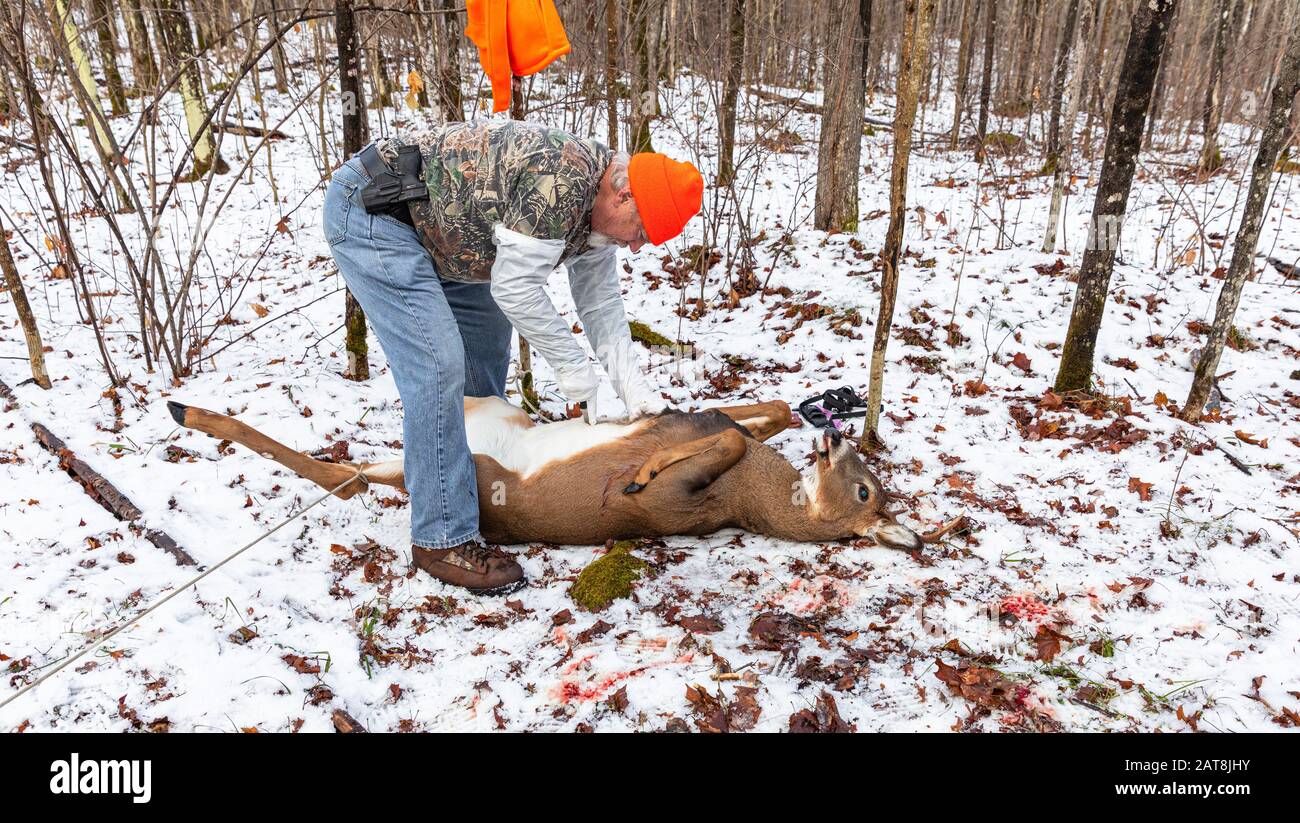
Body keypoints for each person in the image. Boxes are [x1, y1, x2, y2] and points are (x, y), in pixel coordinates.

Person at [321, 118, 703, 594]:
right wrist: (573, 370)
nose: (636, 245)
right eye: (641, 231)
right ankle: (442, 536)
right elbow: (516, 289)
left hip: (449, 233)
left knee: (484, 346)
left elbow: (601, 305)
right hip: (375, 214)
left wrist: (636, 392)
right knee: (439, 363)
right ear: (624, 197)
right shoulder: (561, 181)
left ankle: (471, 485)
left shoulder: (601, 210)